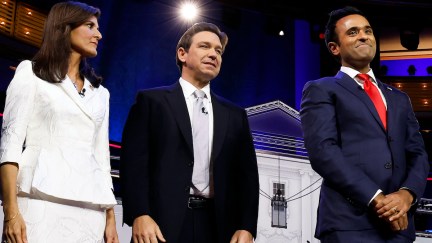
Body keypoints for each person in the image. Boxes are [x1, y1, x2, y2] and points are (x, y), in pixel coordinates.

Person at [120, 22, 259, 243]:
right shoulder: (151, 102)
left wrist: (247, 227)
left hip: (218, 227)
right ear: (182, 54)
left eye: (218, 51)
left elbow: (248, 177)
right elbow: (134, 164)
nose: (213, 54)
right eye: (205, 46)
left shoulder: (235, 115)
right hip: (160, 224)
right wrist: (140, 213)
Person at [300, 6, 430, 243]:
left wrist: (406, 195)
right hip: (349, 224)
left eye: (368, 31)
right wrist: (377, 199)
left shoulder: (399, 98)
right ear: (334, 48)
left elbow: (418, 154)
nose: (364, 35)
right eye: (353, 32)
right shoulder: (322, 89)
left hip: (399, 227)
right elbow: (323, 151)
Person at [0, 1, 119, 243]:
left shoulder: (101, 93)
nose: (99, 34)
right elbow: (10, 146)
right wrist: (11, 212)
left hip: (89, 207)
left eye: (98, 28)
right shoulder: (30, 72)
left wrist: (110, 219)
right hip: (37, 199)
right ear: (65, 27)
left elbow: (101, 158)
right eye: (90, 26)